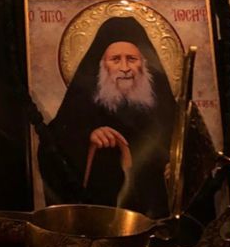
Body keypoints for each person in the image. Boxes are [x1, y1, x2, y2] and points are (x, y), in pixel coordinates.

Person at [37, 15, 178, 217]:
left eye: (132, 59)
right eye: (115, 59)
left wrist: (178, 168)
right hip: (99, 220)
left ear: (143, 64)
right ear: (102, 65)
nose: (125, 68)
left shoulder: (166, 107)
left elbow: (196, 155)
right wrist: (88, 138)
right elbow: (53, 146)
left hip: (159, 219)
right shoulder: (81, 104)